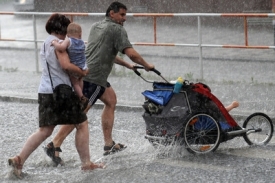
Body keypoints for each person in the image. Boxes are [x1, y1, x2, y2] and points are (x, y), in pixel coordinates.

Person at [44, 1, 155, 164]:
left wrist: (128, 65)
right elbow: (131, 53)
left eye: (125, 15)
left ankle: (108, 144)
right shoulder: (117, 29)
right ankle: (54, 144)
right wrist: (147, 65)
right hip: (94, 78)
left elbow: (105, 52)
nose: (124, 19)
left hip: (87, 71)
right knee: (79, 115)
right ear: (112, 13)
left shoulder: (97, 26)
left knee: (111, 100)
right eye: (122, 15)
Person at [8, 13, 104, 179]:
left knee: (45, 130)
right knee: (81, 123)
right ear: (61, 29)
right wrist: (83, 71)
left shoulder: (45, 43)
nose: (67, 34)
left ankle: (19, 159)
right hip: (61, 90)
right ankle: (86, 164)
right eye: (66, 30)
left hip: (45, 90)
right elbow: (66, 65)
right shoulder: (58, 43)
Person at [51, 22, 88, 105]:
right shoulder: (82, 42)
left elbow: (61, 48)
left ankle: (81, 97)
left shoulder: (68, 40)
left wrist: (54, 43)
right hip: (83, 66)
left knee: (75, 83)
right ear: (80, 34)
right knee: (80, 79)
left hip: (74, 66)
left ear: (67, 34)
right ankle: (81, 93)